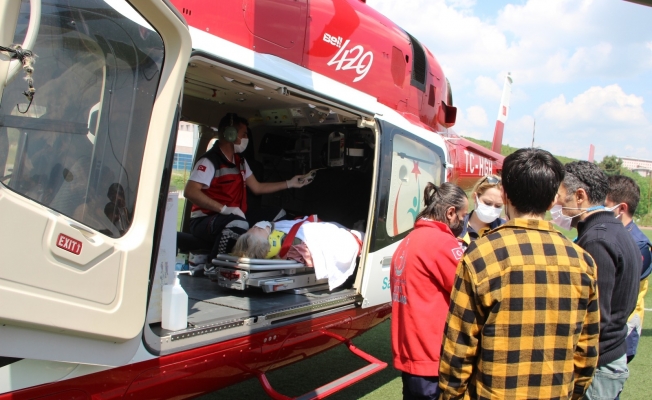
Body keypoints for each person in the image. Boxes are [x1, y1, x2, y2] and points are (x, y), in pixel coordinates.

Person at [439, 148, 600, 400]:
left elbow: (458, 348)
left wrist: (451, 395)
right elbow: (586, 352)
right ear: (552, 201)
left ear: (505, 195)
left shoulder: (481, 254)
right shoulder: (582, 261)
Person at [554, 161, 640, 400]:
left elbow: (595, 318)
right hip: (607, 357)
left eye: (560, 196)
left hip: (597, 365)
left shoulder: (597, 241)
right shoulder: (615, 231)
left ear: (580, 196)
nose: (557, 204)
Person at [184, 113, 310, 262]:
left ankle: (262, 259)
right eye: (244, 134)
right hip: (205, 220)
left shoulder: (240, 162)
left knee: (278, 214)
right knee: (238, 222)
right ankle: (215, 264)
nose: (246, 138)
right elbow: (190, 191)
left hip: (235, 216)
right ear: (231, 134)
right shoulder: (210, 161)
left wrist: (290, 183)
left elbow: (257, 188)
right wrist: (224, 209)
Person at [390, 182, 468, 400]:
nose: (464, 221)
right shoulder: (441, 242)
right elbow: (468, 291)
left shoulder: (408, 240)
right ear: (450, 213)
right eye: (463, 215)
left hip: (411, 353)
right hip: (432, 355)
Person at [231, 217, 363, 290]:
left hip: (335, 234)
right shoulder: (347, 238)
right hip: (345, 237)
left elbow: (261, 227)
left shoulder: (262, 232)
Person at [605, 175, 652, 364]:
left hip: (622, 331)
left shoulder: (639, 245)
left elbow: (620, 292)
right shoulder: (612, 234)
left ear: (621, 208)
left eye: (604, 203)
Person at [459, 174, 505, 248]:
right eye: (487, 203)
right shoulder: (457, 225)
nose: (492, 209)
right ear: (475, 198)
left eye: (498, 206)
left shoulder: (504, 229)